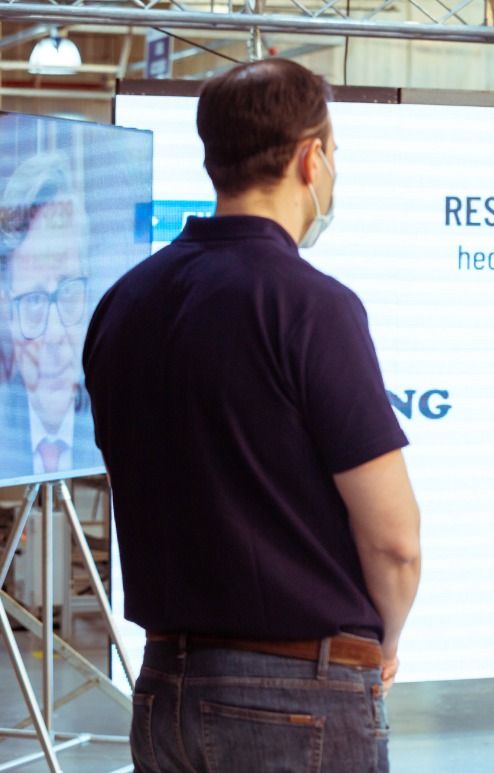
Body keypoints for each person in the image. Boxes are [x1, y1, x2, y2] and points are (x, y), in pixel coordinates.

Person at [83, 59, 421, 772]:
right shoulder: (312, 306)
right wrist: (383, 645)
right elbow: (394, 539)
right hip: (296, 692)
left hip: (163, 690)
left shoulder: (124, 302)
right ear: (310, 158)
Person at [0, 151, 97, 481]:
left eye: (69, 291)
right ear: (8, 312)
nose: (55, 334)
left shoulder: (117, 423)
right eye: (34, 300)